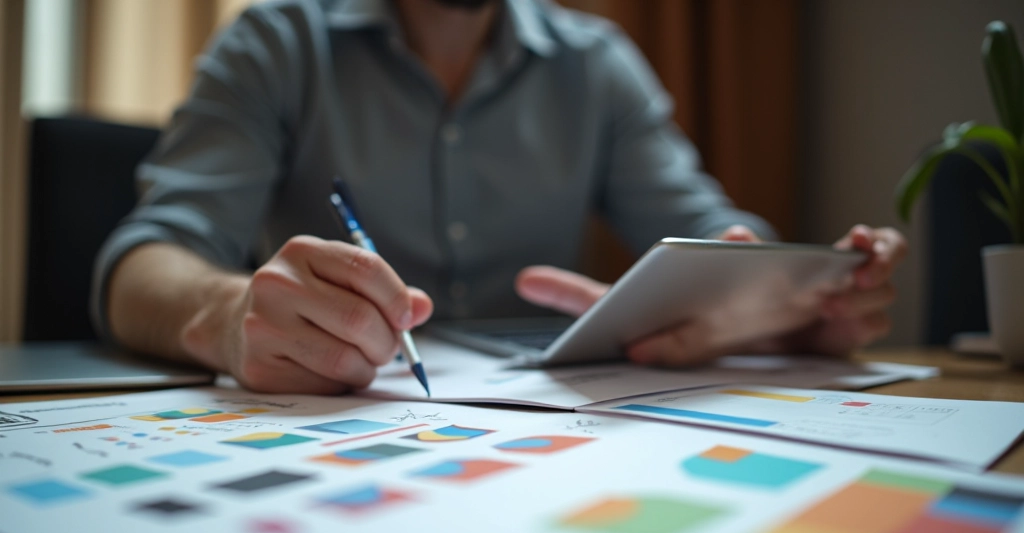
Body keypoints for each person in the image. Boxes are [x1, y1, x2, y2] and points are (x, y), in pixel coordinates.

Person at [92, 0, 906, 395]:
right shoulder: (275, 43)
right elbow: (141, 265)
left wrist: (792, 296)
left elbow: (710, 233)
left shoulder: (598, 64)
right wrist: (227, 313)